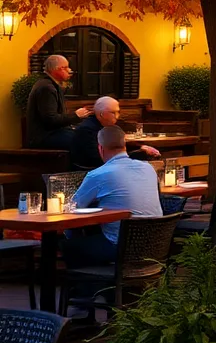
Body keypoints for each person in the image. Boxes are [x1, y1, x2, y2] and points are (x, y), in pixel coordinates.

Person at [64, 126, 163, 266]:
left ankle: (92, 286)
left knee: (70, 246)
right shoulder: (148, 168)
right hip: (154, 245)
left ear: (100, 148)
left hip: (119, 247)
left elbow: (72, 207)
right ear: (125, 145)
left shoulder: (98, 174)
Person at [69, 96, 162, 170]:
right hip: (89, 172)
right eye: (113, 113)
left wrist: (141, 147)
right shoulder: (86, 130)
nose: (117, 116)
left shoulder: (107, 126)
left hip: (108, 168)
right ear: (102, 114)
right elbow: (99, 159)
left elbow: (118, 146)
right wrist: (139, 154)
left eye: (118, 112)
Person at [25, 55, 90, 150]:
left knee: (86, 133)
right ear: (56, 69)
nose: (70, 70)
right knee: (83, 140)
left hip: (52, 134)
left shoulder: (50, 85)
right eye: (66, 67)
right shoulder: (47, 88)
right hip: (45, 137)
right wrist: (76, 115)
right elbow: (50, 120)